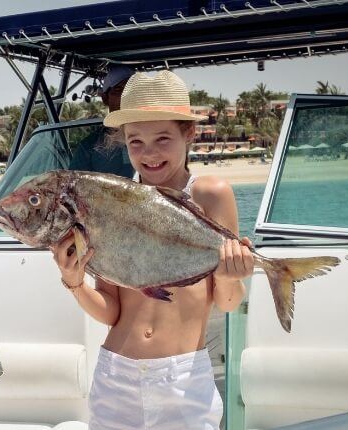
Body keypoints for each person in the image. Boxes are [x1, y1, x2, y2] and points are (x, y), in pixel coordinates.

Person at [51, 71, 252, 430]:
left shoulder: (210, 193)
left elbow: (227, 302)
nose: (149, 154)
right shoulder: (114, 202)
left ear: (188, 133)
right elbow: (112, 311)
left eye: (163, 138)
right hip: (116, 376)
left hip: (183, 379)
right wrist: (74, 281)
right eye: (135, 142)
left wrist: (228, 275)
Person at [68, 65, 135, 179]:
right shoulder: (88, 148)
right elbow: (72, 187)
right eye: (119, 90)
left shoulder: (156, 134)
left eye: (131, 90)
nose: (126, 95)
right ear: (105, 98)